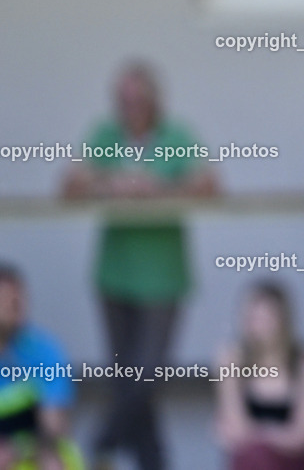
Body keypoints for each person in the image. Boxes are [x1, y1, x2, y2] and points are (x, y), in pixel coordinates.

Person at [61, 61, 219, 470]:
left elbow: (210, 185)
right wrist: (110, 184)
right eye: (124, 101)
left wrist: (159, 188)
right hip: (115, 272)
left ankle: (101, 441)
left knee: (147, 374)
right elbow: (69, 185)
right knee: (124, 376)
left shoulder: (175, 135)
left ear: (154, 101)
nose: (131, 108)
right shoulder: (105, 135)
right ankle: (154, 460)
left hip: (164, 275)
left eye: (138, 100)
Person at [0, 263, 83, 470]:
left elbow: (54, 424)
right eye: (3, 300)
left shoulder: (45, 351)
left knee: (55, 462)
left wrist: (18, 450)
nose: (13, 308)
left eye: (18, 300)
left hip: (26, 453)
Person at [215, 282, 304, 470]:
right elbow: (234, 428)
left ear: (283, 319)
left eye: (265, 318)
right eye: (252, 318)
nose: (258, 326)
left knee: (258, 455)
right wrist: (270, 435)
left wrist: (259, 437)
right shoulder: (232, 360)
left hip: (296, 460)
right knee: (254, 456)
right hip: (252, 459)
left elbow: (303, 436)